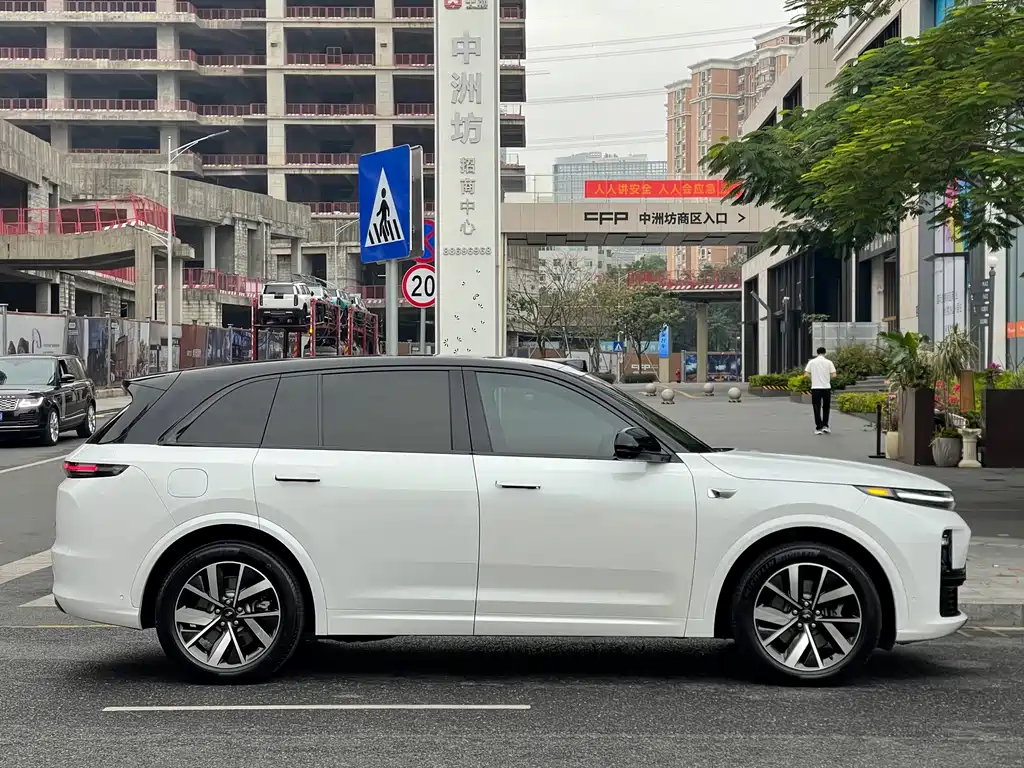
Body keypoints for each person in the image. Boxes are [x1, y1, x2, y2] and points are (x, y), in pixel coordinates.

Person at [805, 346, 837, 435]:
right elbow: (834, 375)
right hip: (826, 387)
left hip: (815, 387)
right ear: (825, 353)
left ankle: (818, 427)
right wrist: (827, 378)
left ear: (817, 353)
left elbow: (806, 374)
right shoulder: (829, 362)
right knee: (826, 407)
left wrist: (813, 378)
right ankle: (825, 426)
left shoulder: (811, 362)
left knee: (816, 407)